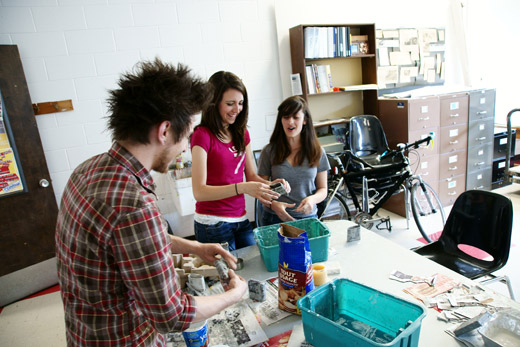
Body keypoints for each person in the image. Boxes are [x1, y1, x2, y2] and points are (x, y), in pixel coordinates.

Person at [55, 59, 248, 346]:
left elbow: (131, 242)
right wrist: (234, 294)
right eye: (186, 135)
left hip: (85, 333)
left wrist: (194, 246)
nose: (185, 146)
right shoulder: (133, 206)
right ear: (165, 131)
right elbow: (172, 315)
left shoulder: (86, 169)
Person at [190, 71, 289, 251]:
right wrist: (241, 187)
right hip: (212, 223)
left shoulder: (242, 134)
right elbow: (199, 192)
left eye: (241, 103)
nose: (237, 109)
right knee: (229, 277)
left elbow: (250, 175)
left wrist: (270, 184)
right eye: (230, 104)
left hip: (241, 219)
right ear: (214, 103)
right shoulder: (202, 136)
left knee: (251, 271)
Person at [257, 95, 330, 225]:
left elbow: (323, 189)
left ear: (305, 120)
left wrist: (312, 200)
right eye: (286, 117)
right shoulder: (269, 151)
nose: (290, 122)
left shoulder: (317, 151)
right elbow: (259, 190)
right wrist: (273, 204)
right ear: (281, 120)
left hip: (308, 217)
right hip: (274, 218)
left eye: (296, 117)